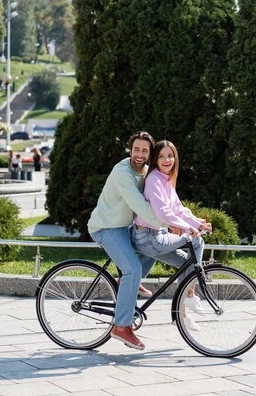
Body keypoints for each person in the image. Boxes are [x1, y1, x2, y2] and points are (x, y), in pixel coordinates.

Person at [88, 131, 181, 351]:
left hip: (125, 227)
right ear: (130, 149)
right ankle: (121, 326)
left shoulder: (148, 172)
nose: (139, 154)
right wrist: (168, 225)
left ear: (150, 154)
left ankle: (125, 284)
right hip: (106, 227)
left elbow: (162, 201)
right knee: (132, 268)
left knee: (151, 248)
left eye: (145, 151)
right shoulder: (122, 172)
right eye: (136, 149)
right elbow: (139, 205)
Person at [132, 140, 212, 331]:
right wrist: (188, 229)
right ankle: (190, 294)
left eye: (170, 155)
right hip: (148, 237)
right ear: (155, 160)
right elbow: (163, 213)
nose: (167, 159)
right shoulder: (153, 180)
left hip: (156, 237)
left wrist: (196, 223)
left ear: (175, 157)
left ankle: (181, 313)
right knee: (197, 242)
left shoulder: (166, 179)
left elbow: (177, 209)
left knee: (186, 263)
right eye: (161, 156)